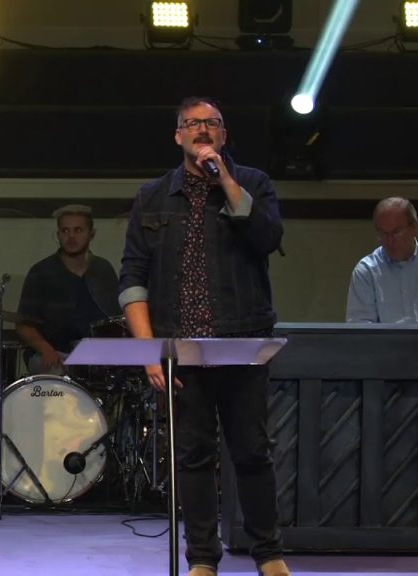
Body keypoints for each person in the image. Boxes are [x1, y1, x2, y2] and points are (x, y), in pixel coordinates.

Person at [118, 97, 290, 576]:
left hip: (242, 341)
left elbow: (267, 239)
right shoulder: (153, 196)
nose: (202, 130)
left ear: (223, 135)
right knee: (193, 456)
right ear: (178, 136)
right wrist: (149, 350)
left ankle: (268, 553)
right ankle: (201, 559)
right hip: (181, 348)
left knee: (251, 451)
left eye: (211, 123)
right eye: (192, 124)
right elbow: (132, 277)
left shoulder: (252, 183)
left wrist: (225, 180)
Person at [16, 204, 121, 374]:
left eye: (78, 230)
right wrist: (45, 349)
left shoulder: (103, 269)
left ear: (92, 234)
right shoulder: (41, 271)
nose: (71, 236)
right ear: (58, 235)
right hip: (54, 353)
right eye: (65, 231)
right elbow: (24, 325)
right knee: (55, 372)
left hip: (95, 355)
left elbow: (116, 319)